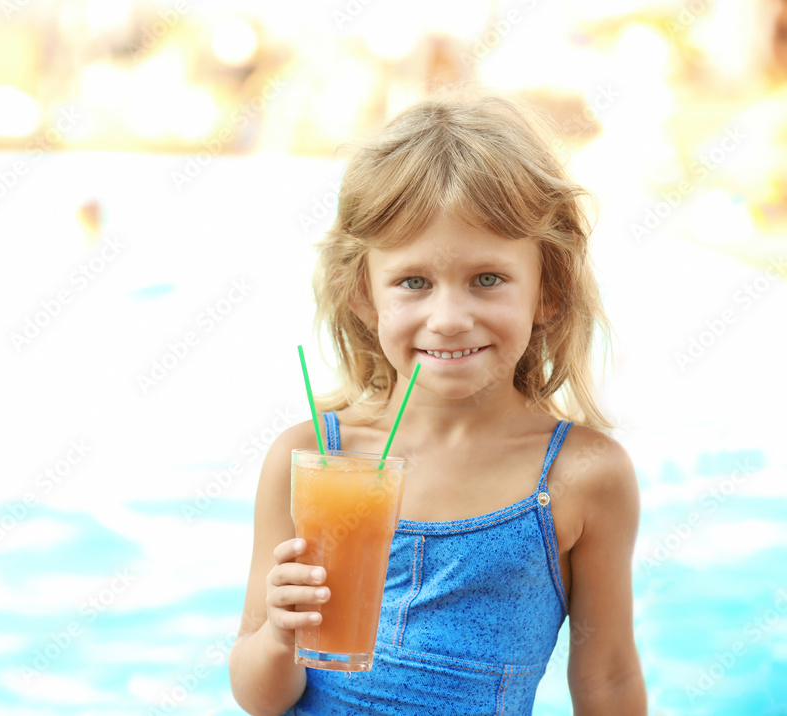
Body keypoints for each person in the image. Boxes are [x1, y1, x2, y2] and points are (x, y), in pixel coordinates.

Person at [228, 87, 647, 715]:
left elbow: (607, 678)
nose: (448, 318)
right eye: (413, 282)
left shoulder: (582, 475)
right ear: (365, 298)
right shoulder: (310, 457)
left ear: (548, 291)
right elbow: (258, 697)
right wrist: (280, 636)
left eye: (487, 279)